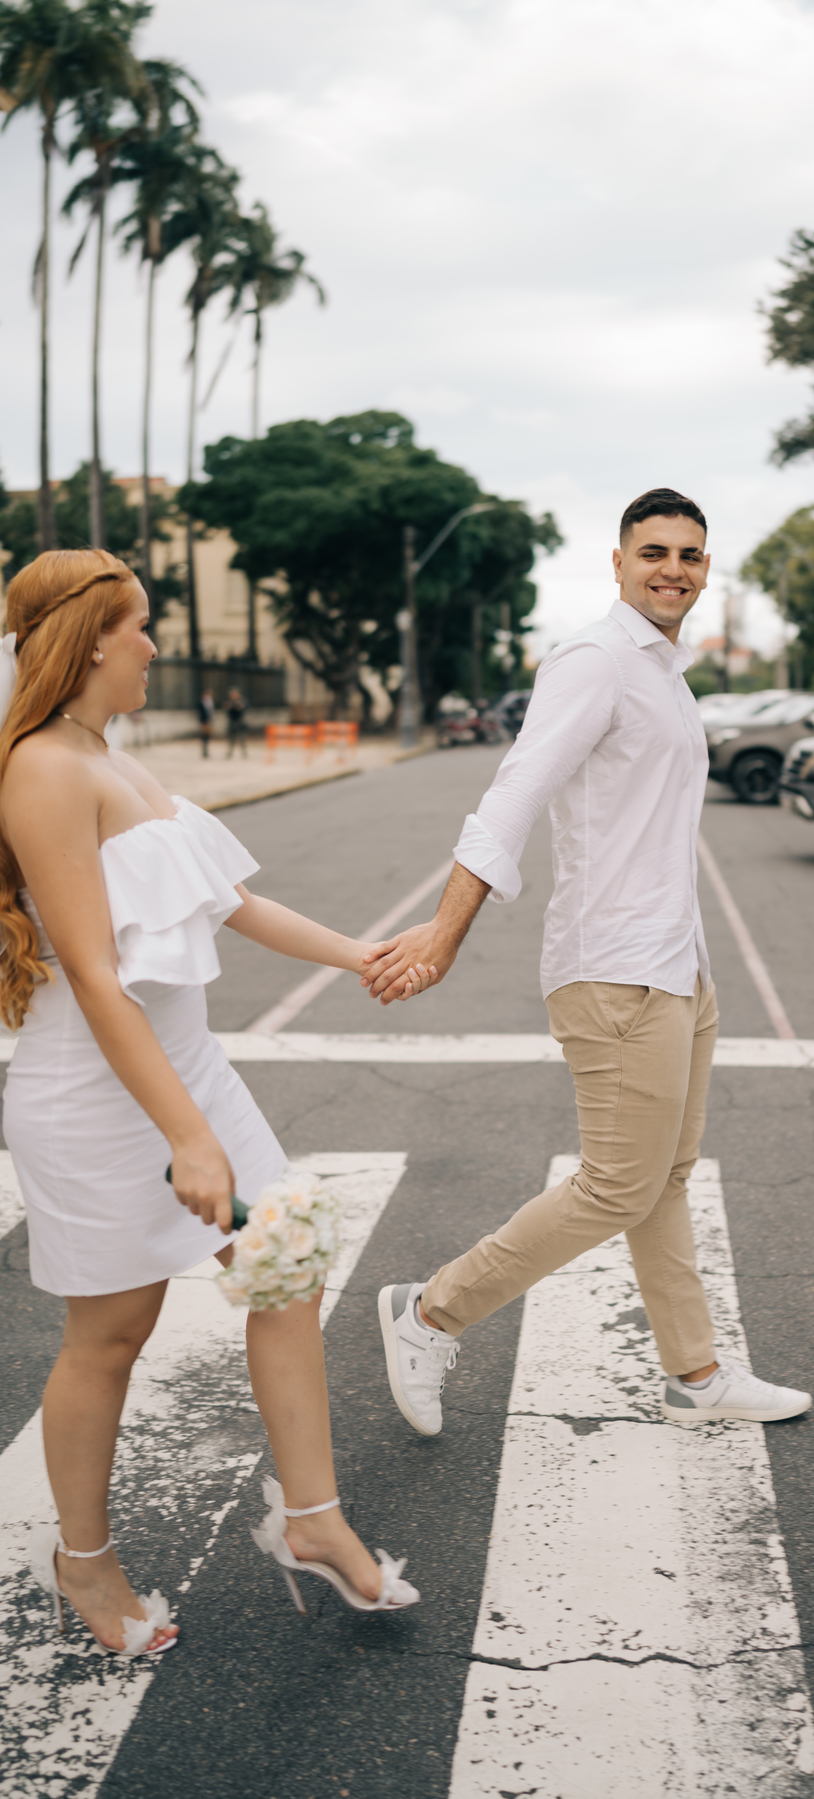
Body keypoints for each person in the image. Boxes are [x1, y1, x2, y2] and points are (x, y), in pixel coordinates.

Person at [1, 551, 433, 1658]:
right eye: (141, 626)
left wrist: (361, 955)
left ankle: (313, 1516)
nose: (155, 645)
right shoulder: (45, 769)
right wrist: (185, 1135)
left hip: (186, 1065)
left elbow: (230, 900)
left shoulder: (115, 759)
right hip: (95, 1092)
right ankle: (85, 1563)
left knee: (286, 1265)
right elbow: (96, 976)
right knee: (111, 1332)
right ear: (93, 637)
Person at [363, 489, 811, 1435]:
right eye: (655, 551)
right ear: (617, 561)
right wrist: (445, 931)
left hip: (676, 966)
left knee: (665, 1179)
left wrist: (692, 970)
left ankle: (696, 1375)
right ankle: (430, 1311)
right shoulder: (595, 660)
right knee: (616, 1183)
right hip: (613, 970)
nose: (674, 569)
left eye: (690, 555)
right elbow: (514, 792)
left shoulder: (664, 674)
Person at [225, 686, 248, 759]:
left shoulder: (242, 701)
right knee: (231, 738)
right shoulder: (229, 702)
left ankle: (244, 753)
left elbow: (242, 709)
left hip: (240, 722)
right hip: (232, 722)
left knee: (242, 738)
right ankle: (230, 752)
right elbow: (228, 710)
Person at [197, 688, 215, 759]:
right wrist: (204, 721)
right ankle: (204, 752)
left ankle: (206, 751)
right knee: (204, 737)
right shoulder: (201, 702)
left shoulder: (210, 702)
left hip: (209, 721)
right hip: (204, 722)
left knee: (208, 737)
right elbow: (201, 713)